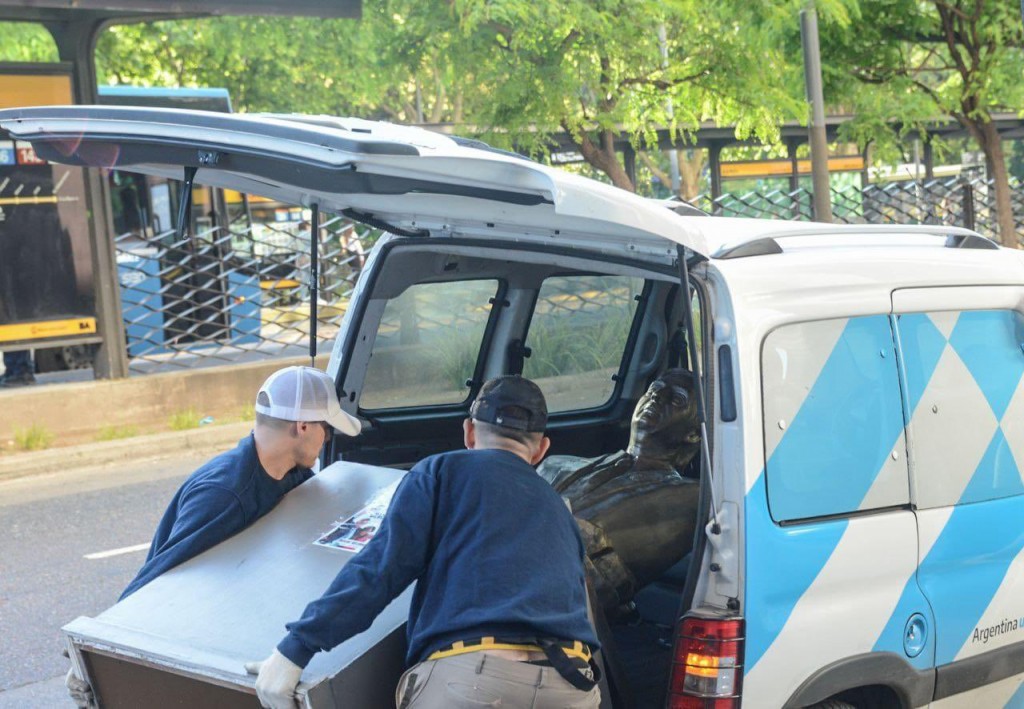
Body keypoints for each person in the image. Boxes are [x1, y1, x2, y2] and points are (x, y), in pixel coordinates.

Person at [246, 375, 601, 709]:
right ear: (541, 450)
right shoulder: (560, 508)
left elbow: (380, 570)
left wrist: (296, 648)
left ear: (469, 433)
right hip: (572, 685)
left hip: (473, 682)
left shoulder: (442, 471)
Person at [65, 365, 361, 708]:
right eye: (325, 428)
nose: (327, 438)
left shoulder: (292, 476)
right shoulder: (225, 493)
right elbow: (160, 573)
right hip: (192, 639)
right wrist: (88, 653)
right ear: (303, 426)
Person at [538, 368, 702, 613]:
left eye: (676, 400)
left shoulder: (691, 499)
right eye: (654, 391)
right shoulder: (556, 464)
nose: (656, 398)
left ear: (694, 434)